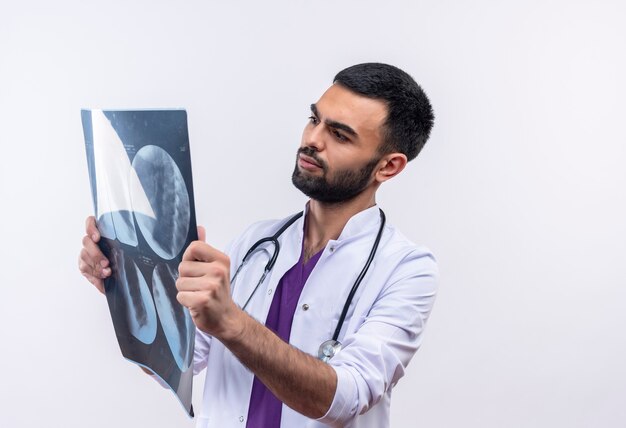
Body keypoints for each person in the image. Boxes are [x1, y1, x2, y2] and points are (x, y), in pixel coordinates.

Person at [79, 62, 438, 428]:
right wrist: (123, 277)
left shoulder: (407, 269)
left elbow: (347, 397)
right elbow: (179, 363)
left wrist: (230, 322)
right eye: (314, 119)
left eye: (340, 135)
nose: (313, 139)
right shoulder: (256, 243)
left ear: (388, 167)